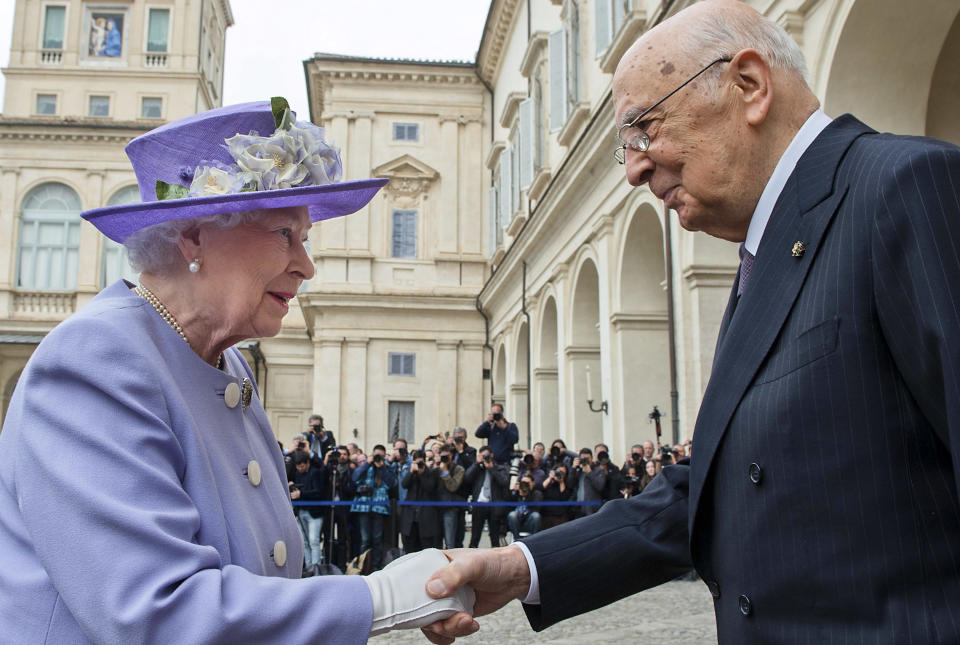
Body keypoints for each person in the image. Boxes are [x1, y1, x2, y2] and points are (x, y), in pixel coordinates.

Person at [421, 1, 960, 641]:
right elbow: (715, 486)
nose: (633, 168)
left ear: (749, 86)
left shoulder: (907, 189)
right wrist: (524, 567)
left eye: (646, 129)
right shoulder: (768, 250)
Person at [0, 99, 472, 642]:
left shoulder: (225, 361)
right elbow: (159, 611)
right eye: (283, 235)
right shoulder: (95, 359)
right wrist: (384, 598)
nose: (307, 265)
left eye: (305, 239)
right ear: (196, 235)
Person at [351, 445, 396, 570]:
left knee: (377, 539)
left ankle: (376, 566)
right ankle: (363, 566)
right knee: (365, 539)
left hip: (379, 507)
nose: (378, 458)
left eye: (380, 455)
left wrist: (381, 467)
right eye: (376, 455)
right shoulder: (366, 466)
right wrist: (367, 463)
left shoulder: (387, 467)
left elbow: (391, 483)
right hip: (364, 506)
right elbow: (355, 477)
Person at [464, 446, 509, 548]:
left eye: (487, 455)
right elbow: (467, 478)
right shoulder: (478, 469)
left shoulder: (500, 468)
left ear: (492, 455)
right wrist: (476, 463)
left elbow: (504, 482)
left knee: (495, 538)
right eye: (483, 456)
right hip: (479, 504)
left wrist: (492, 468)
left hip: (494, 505)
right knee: (475, 536)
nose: (485, 458)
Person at [289, 450, 327, 571]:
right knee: (304, 542)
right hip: (301, 511)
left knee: (314, 541)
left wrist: (300, 493)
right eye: (297, 466)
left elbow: (319, 492)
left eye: (302, 465)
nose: (299, 468)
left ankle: (316, 568)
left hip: (314, 513)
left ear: (307, 463)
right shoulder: (297, 474)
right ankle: (309, 567)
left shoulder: (316, 473)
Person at [506, 475, 542, 542]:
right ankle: (517, 541)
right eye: (523, 483)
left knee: (536, 516)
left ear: (533, 483)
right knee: (512, 515)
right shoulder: (516, 493)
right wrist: (513, 492)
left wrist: (527, 495)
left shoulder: (536, 493)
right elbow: (508, 507)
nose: (525, 485)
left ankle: (534, 541)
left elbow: (536, 508)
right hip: (516, 523)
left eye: (527, 483)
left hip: (529, 522)